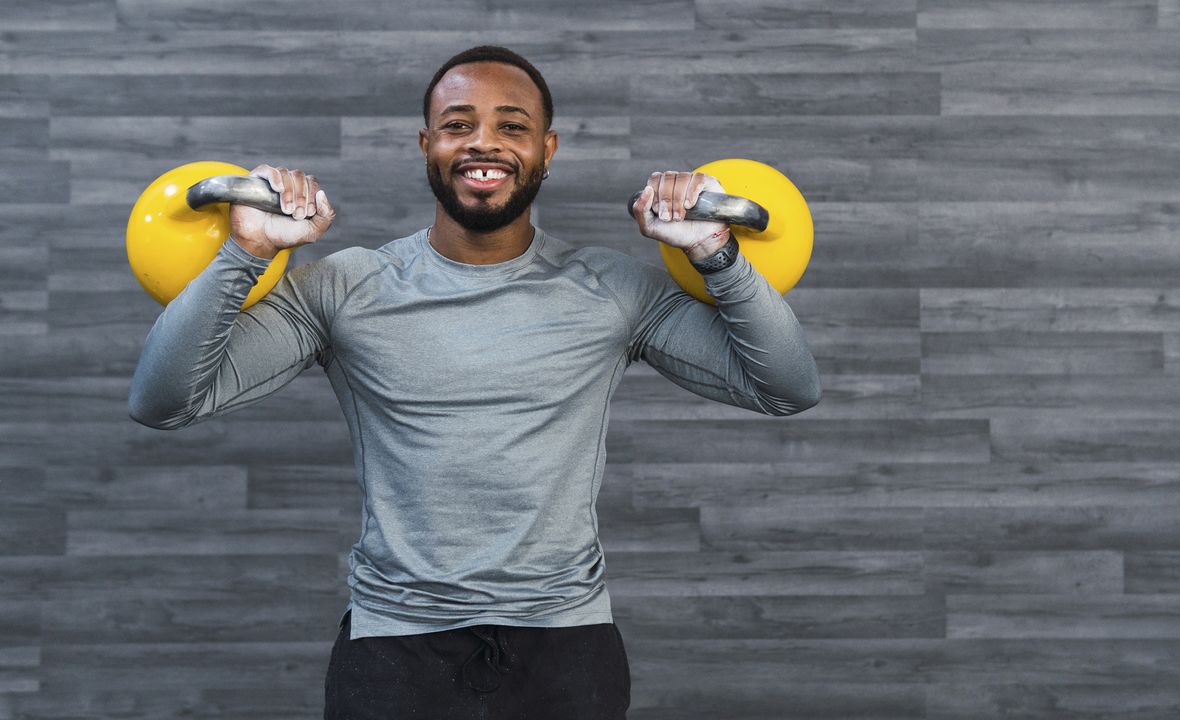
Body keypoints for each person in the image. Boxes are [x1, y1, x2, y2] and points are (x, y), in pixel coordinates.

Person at [128, 45, 821, 720]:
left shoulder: (612, 291)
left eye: (511, 126)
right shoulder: (343, 289)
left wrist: (715, 255)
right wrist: (246, 252)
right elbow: (163, 401)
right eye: (458, 125)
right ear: (426, 143)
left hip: (567, 649)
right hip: (395, 650)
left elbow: (787, 387)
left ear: (547, 150)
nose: (483, 143)